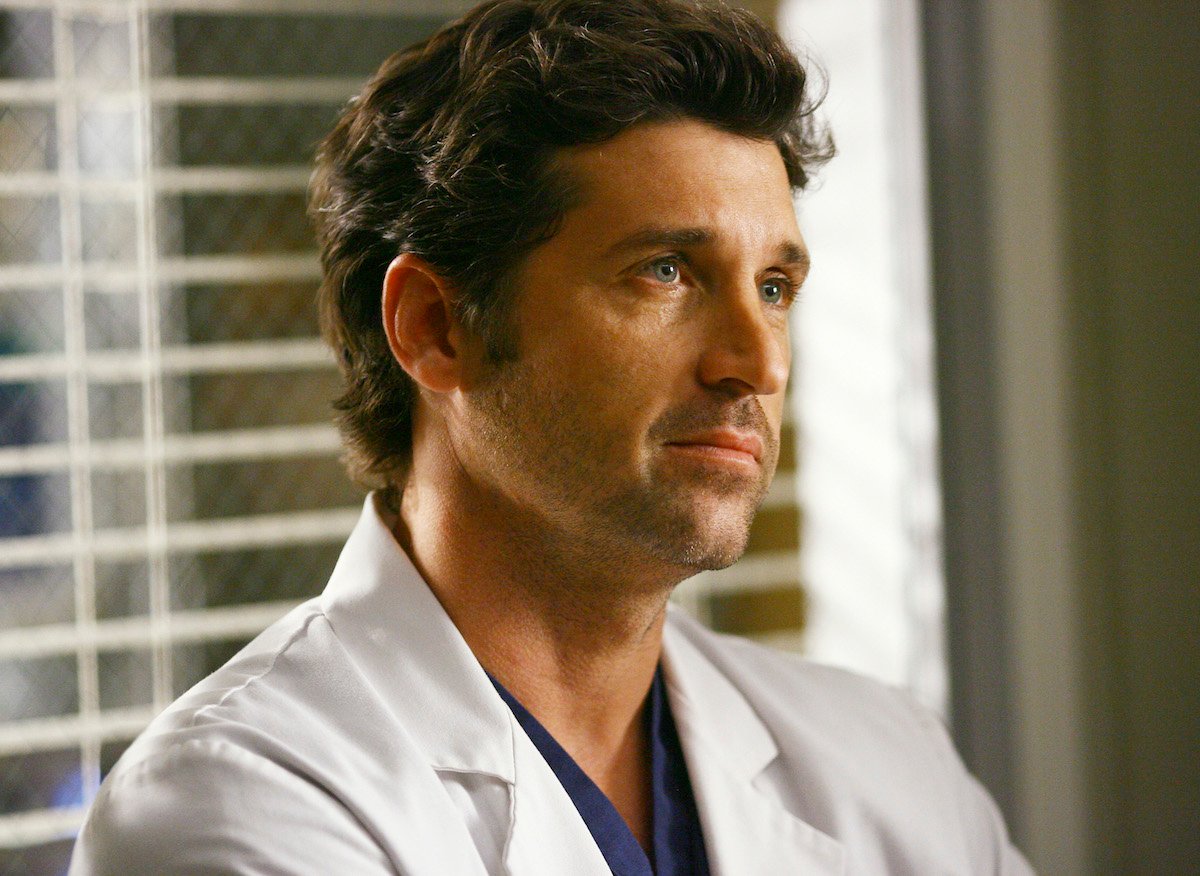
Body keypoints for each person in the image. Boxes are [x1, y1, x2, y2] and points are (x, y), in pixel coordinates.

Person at [70, 1, 1033, 873]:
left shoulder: (891, 766)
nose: (758, 363)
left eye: (774, 288)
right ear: (435, 328)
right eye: (666, 271)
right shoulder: (235, 811)